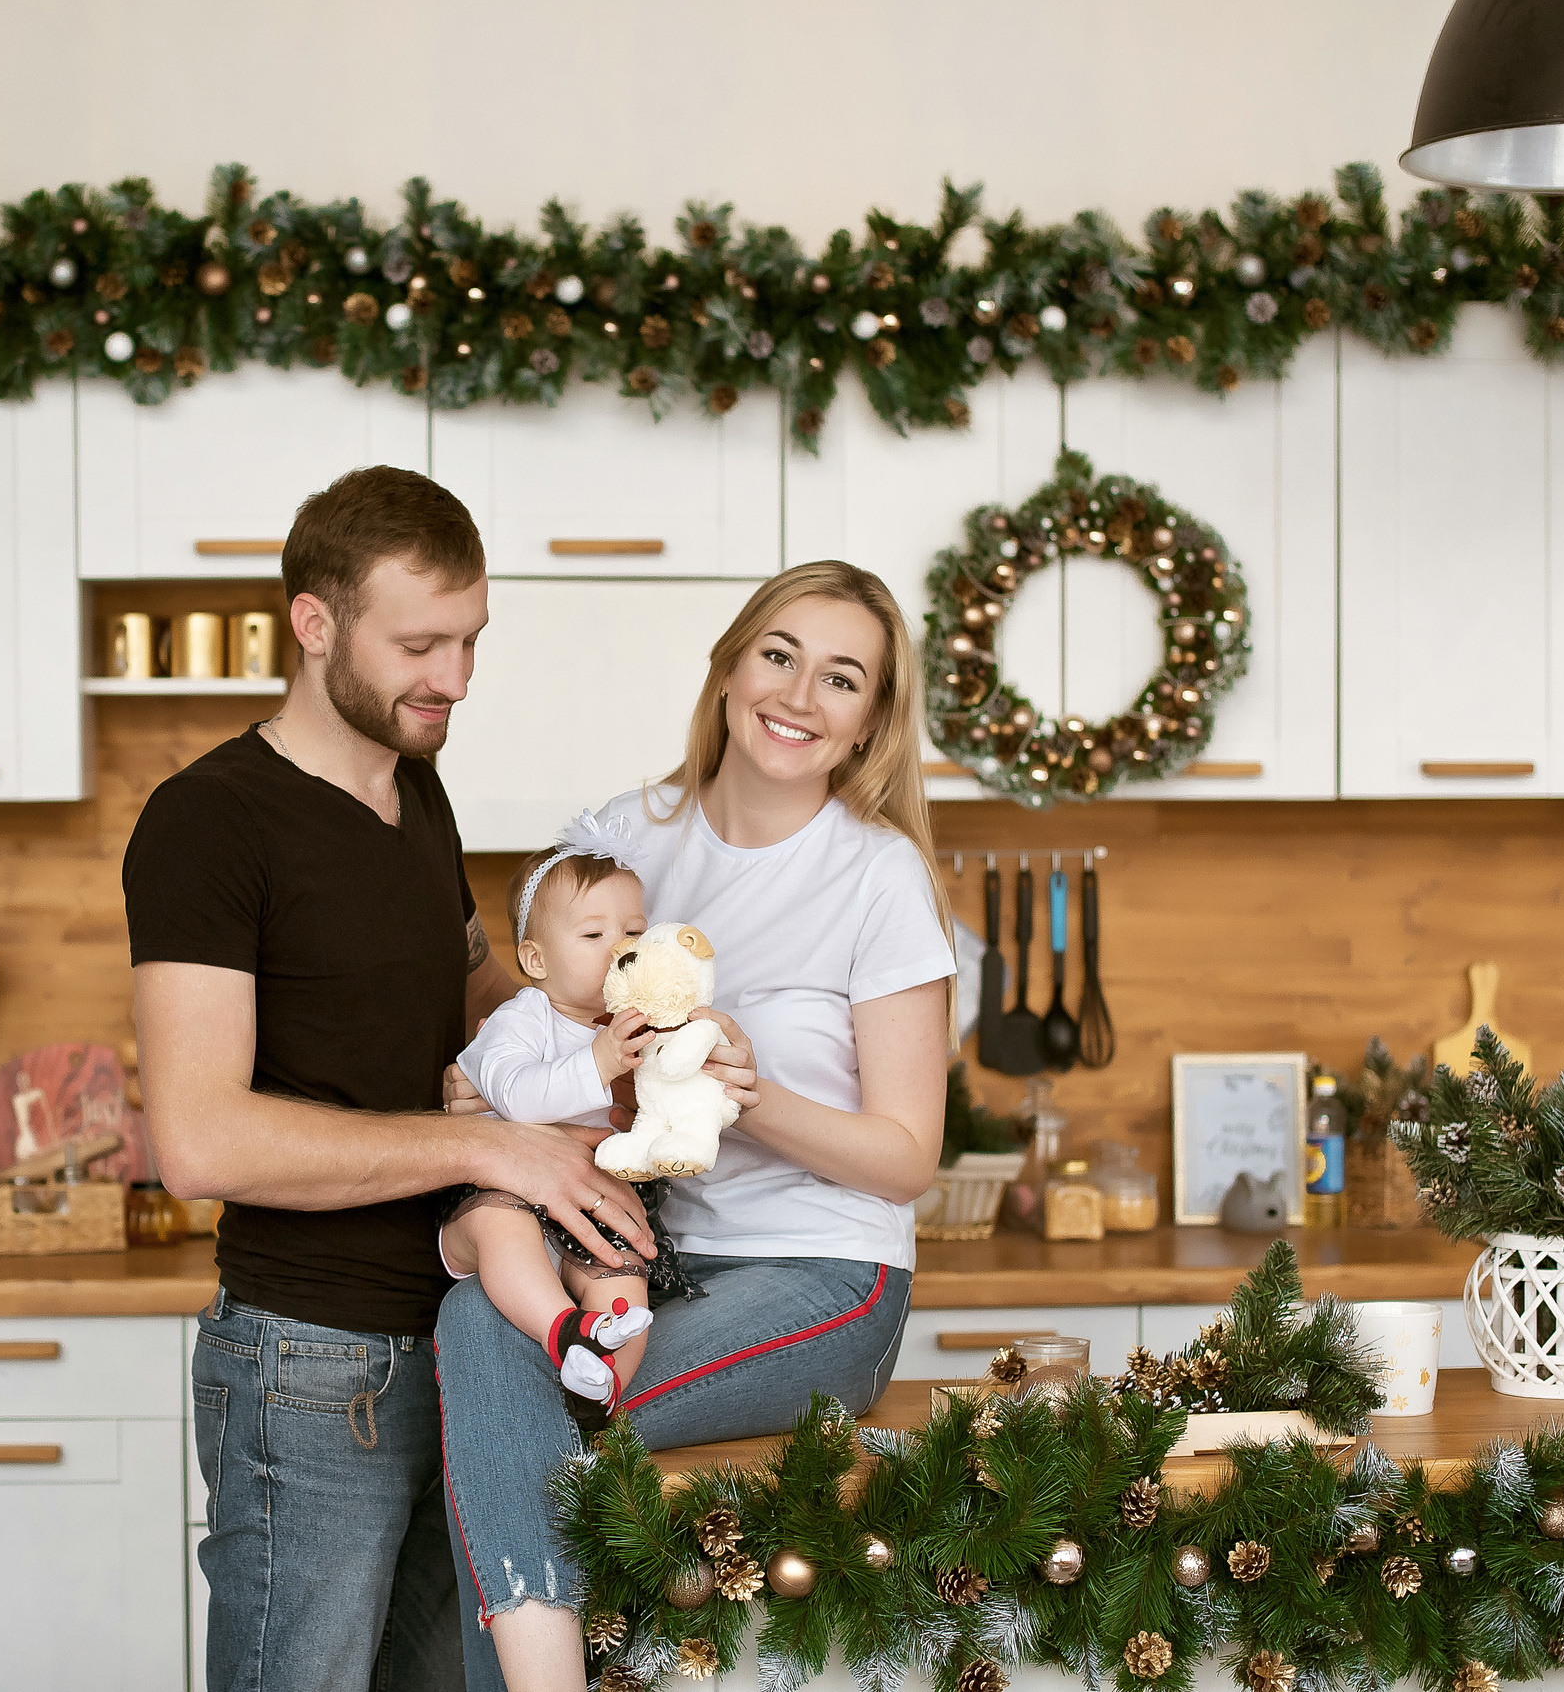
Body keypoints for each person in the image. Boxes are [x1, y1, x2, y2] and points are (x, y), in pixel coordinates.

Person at [124, 465, 657, 1692]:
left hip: (463, 1344)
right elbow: (199, 1139)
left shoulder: (413, 784)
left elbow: (484, 1000)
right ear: (314, 623)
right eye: (420, 645)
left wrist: (625, 1048)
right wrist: (486, 1144)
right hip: (313, 1366)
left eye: (471, 640)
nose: (454, 679)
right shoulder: (209, 822)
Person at [434, 559, 956, 1692]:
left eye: (841, 678)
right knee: (479, 1321)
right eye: (779, 655)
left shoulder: (879, 877)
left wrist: (748, 1092)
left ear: (870, 722)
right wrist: (496, 1083)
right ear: (728, 670)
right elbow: (540, 1005)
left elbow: (907, 1157)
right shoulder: (625, 836)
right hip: (639, 1250)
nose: (799, 695)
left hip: (821, 1273)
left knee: (526, 1414)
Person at [441, 822, 663, 1430]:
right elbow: (515, 1096)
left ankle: (600, 1387)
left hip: (593, 1208)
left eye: (634, 933)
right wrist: (601, 1062)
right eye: (593, 934)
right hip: (505, 1202)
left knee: (626, 1275)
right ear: (535, 958)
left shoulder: (636, 1027)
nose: (620, 950)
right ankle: (563, 1331)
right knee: (501, 1226)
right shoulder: (520, 1020)